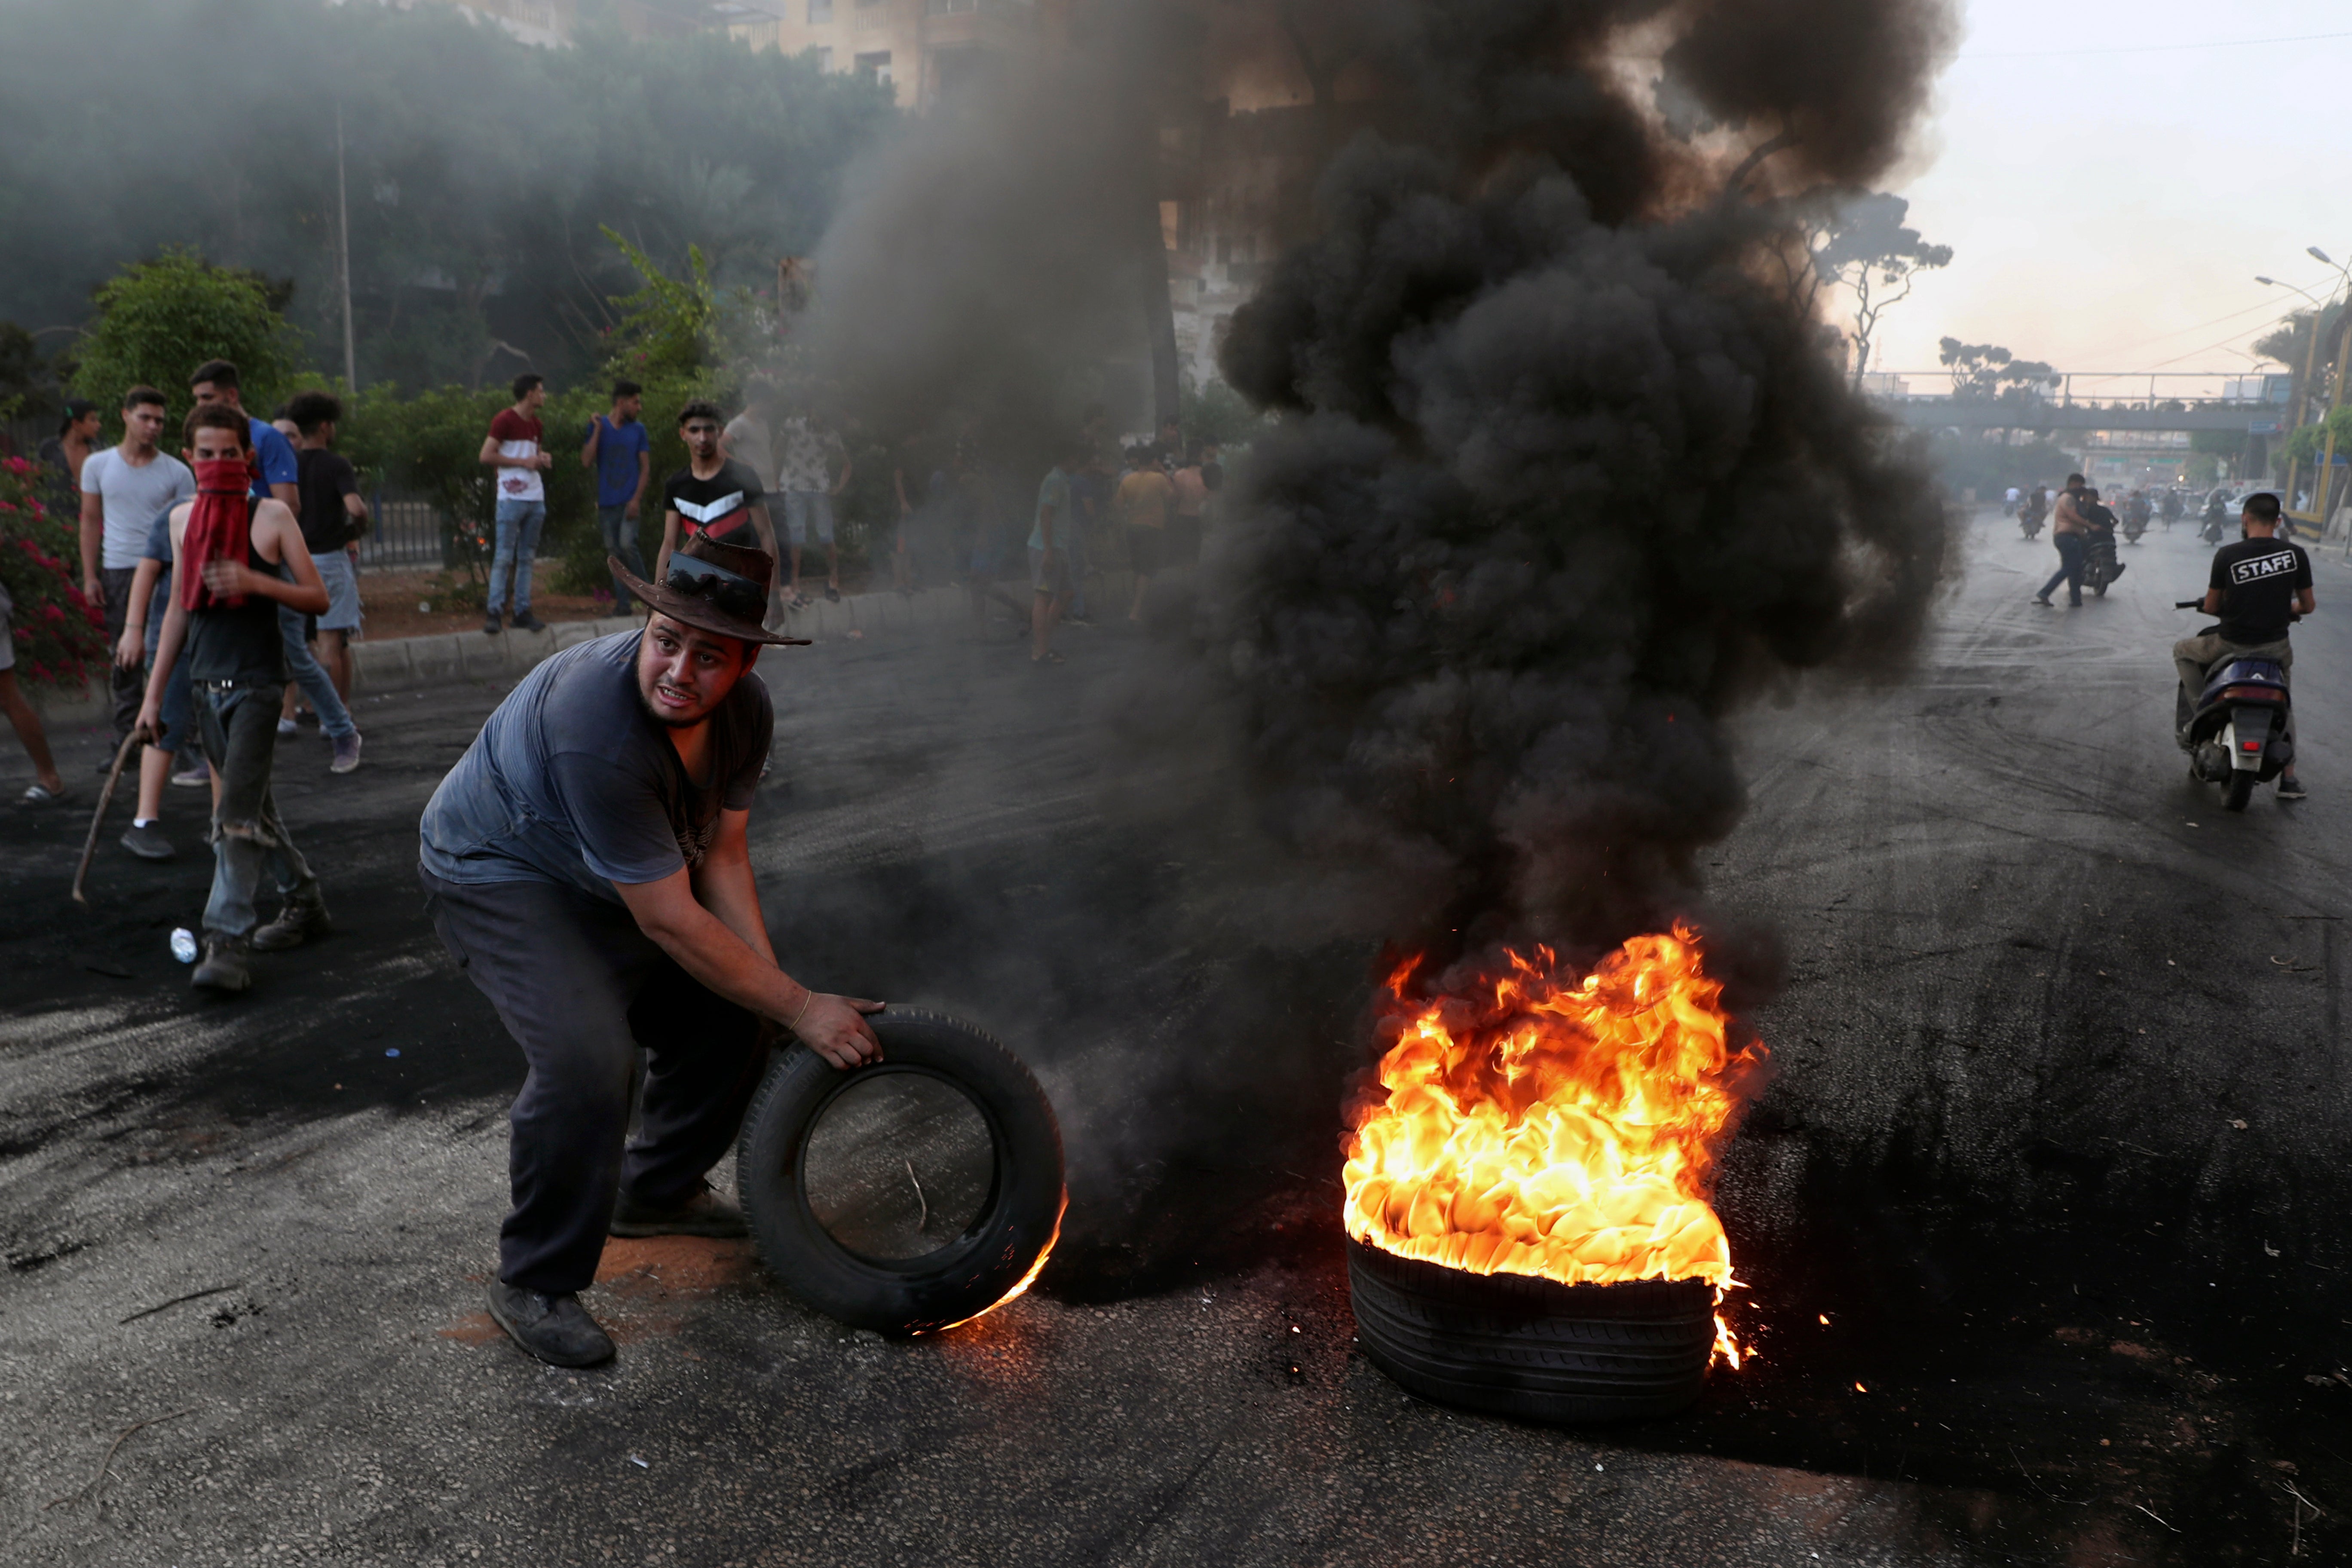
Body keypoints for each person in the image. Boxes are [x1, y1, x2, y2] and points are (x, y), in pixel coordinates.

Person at [416, 534, 879, 1367]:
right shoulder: (595, 724)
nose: (678, 670)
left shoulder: (748, 716)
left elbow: (725, 859)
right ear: (648, 624)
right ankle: (534, 1279)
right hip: (499, 870)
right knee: (588, 1057)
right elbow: (667, 919)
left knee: (744, 1005)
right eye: (667, 641)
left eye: (710, 656)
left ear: (744, 665)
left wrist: (778, 1001)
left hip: (607, 875)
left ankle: (654, 1190)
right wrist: (803, 1006)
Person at [135, 406, 334, 991]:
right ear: (189, 458)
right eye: (206, 454)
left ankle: (225, 943)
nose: (218, 464)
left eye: (229, 454)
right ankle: (305, 903)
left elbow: (317, 598)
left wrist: (255, 582)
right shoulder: (181, 521)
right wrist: (153, 698)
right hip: (204, 689)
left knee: (235, 817)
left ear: (248, 457)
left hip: (258, 686)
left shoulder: (270, 515)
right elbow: (176, 612)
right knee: (255, 807)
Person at [2174, 493, 2312, 799]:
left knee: (2183, 650)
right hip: (2276, 648)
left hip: (2229, 644)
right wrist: (2288, 610)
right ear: (2277, 522)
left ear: (2245, 518)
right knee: (2283, 703)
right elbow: (2308, 605)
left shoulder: (2228, 554)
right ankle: (2288, 780)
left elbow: (2211, 606)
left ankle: (2200, 713)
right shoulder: (2295, 555)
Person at [78, 387, 194, 753]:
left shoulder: (176, 471)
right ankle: (129, 741)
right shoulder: (98, 465)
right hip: (119, 570)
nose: (153, 426)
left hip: (165, 572)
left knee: (171, 653)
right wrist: (90, 575)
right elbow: (91, 520)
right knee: (125, 657)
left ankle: (180, 739)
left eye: (159, 420)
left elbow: (189, 529)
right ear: (125, 416)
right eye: (145, 417)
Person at [282, 393, 368, 775]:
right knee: (332, 640)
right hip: (331, 561)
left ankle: (292, 712)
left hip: (294, 559)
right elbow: (357, 508)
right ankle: (331, 718)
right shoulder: (337, 465)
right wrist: (356, 530)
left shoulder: (288, 464)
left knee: (300, 642)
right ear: (324, 427)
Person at [114, 501, 197, 859]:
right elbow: (148, 570)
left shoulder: (257, 512)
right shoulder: (178, 515)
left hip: (226, 644)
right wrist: (132, 630)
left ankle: (226, 823)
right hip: (175, 638)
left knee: (224, 732)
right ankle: (144, 820)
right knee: (165, 722)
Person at [656, 400, 780, 587]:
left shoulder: (743, 477)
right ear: (683, 434)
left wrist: (774, 592)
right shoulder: (677, 485)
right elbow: (669, 543)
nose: (702, 438)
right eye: (694, 430)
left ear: (720, 432)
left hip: (740, 584)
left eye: (709, 430)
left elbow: (766, 534)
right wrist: (658, 596)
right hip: (695, 586)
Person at [479, 372, 552, 635]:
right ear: (530, 393)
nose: (544, 396)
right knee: (503, 557)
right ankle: (495, 611)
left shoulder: (536, 424)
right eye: (541, 391)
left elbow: (530, 455)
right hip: (511, 499)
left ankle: (522, 610)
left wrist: (541, 458)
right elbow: (486, 455)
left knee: (527, 558)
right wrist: (524, 463)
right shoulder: (504, 420)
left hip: (535, 497)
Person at [583, 379, 652, 615]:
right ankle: (623, 604)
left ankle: (651, 598)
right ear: (621, 403)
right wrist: (598, 431)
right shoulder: (598, 426)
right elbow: (586, 461)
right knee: (614, 552)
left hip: (628, 501)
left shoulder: (638, 430)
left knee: (627, 545)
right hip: (606, 503)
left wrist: (636, 500)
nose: (639, 407)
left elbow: (645, 468)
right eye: (635, 403)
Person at [775, 402, 849, 606]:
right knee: (796, 538)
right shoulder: (793, 425)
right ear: (810, 410)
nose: (817, 418)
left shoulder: (831, 434)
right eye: (815, 413)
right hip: (793, 487)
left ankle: (834, 580)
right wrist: (776, 479)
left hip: (819, 490)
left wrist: (838, 488)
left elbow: (847, 465)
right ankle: (795, 584)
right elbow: (777, 450)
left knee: (826, 537)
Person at [1029, 441, 1086, 666]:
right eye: (1076, 457)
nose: (1078, 462)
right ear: (1069, 458)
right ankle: (1041, 651)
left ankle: (1042, 643)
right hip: (1046, 547)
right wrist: (1048, 551)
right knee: (1043, 597)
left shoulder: (1062, 480)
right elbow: (1046, 515)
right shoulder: (1055, 481)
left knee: (1066, 594)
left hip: (1057, 546)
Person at [1115, 444, 1174, 623]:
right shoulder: (1158, 479)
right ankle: (1136, 611)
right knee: (1146, 570)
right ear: (1154, 461)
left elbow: (1118, 505)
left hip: (1133, 528)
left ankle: (1136, 604)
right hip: (1152, 529)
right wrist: (1164, 473)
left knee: (1138, 569)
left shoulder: (1128, 480)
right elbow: (1172, 497)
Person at [2033, 473, 2092, 607]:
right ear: (2073, 484)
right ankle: (2045, 592)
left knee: (2076, 569)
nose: (2081, 488)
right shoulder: (2067, 498)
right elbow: (2073, 516)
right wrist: (2090, 526)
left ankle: (2076, 600)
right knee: (2069, 568)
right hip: (2067, 537)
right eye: (2080, 485)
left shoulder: (2075, 500)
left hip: (2072, 538)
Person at [39, 398, 102, 520]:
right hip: (58, 525)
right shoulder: (50, 449)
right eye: (93, 420)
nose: (98, 425)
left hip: (92, 522)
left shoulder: (98, 451)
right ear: (76, 424)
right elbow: (31, 481)